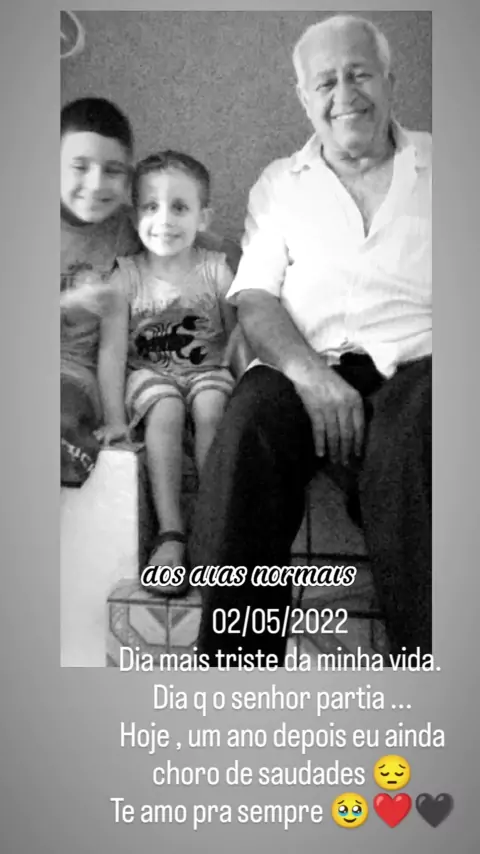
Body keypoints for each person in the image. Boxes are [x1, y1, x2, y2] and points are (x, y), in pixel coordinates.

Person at [189, 14, 432, 664]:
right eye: (325, 82)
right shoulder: (280, 183)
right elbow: (256, 298)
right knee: (249, 424)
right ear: (304, 97)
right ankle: (233, 674)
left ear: (390, 79)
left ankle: (433, 669)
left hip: (423, 370)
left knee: (412, 441)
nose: (344, 94)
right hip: (307, 362)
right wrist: (310, 376)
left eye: (359, 74)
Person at [102, 151, 242, 593]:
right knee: (165, 408)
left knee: (212, 404)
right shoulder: (124, 277)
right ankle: (171, 533)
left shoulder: (216, 271)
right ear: (134, 216)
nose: (164, 220)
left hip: (209, 371)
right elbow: (112, 352)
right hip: (148, 375)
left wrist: (244, 390)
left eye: (179, 207)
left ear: (203, 217)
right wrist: (114, 419)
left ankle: (213, 528)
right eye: (150, 206)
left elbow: (238, 339)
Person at [61, 97, 139, 486]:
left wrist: (115, 420)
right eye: (80, 167)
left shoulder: (128, 230)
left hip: (72, 379)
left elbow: (113, 343)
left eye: (112, 171)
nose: (95, 184)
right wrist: (65, 306)